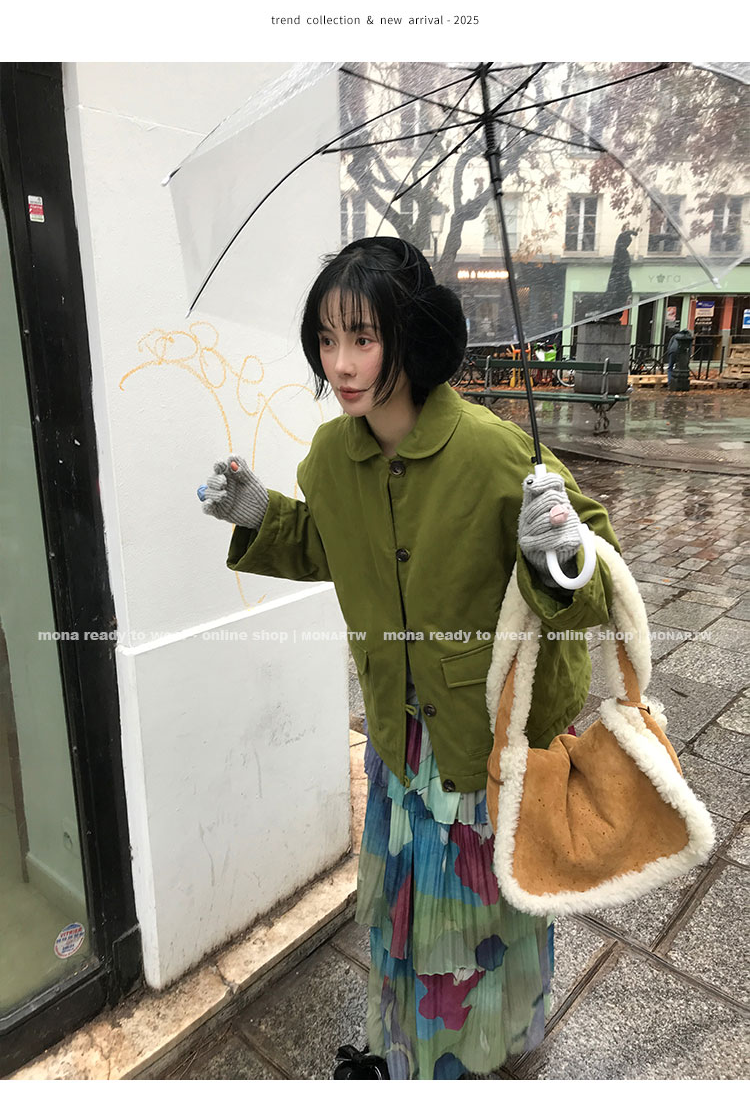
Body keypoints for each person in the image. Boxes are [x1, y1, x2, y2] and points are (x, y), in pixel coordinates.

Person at [199, 237, 621, 1081]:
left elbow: (600, 571)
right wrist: (259, 512)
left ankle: (479, 1055)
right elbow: (329, 542)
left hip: (477, 745)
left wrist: (558, 550)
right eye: (327, 339)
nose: (341, 363)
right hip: (399, 743)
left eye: (363, 337)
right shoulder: (332, 457)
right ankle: (411, 1053)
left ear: (410, 336)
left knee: (479, 922)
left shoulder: (497, 453)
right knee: (408, 922)